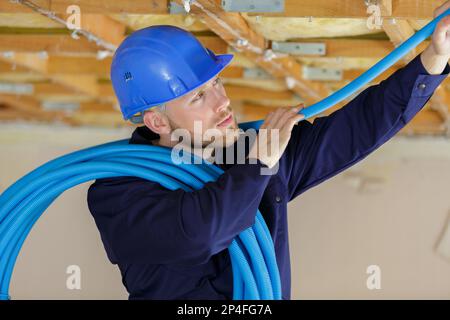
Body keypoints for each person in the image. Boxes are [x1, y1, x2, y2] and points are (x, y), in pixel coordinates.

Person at [87, 3, 450, 299]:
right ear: (157, 123)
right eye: (199, 96)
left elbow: (353, 131)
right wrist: (259, 164)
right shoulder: (117, 192)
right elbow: (200, 233)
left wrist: (434, 59)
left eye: (216, 83)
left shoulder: (251, 151)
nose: (223, 102)